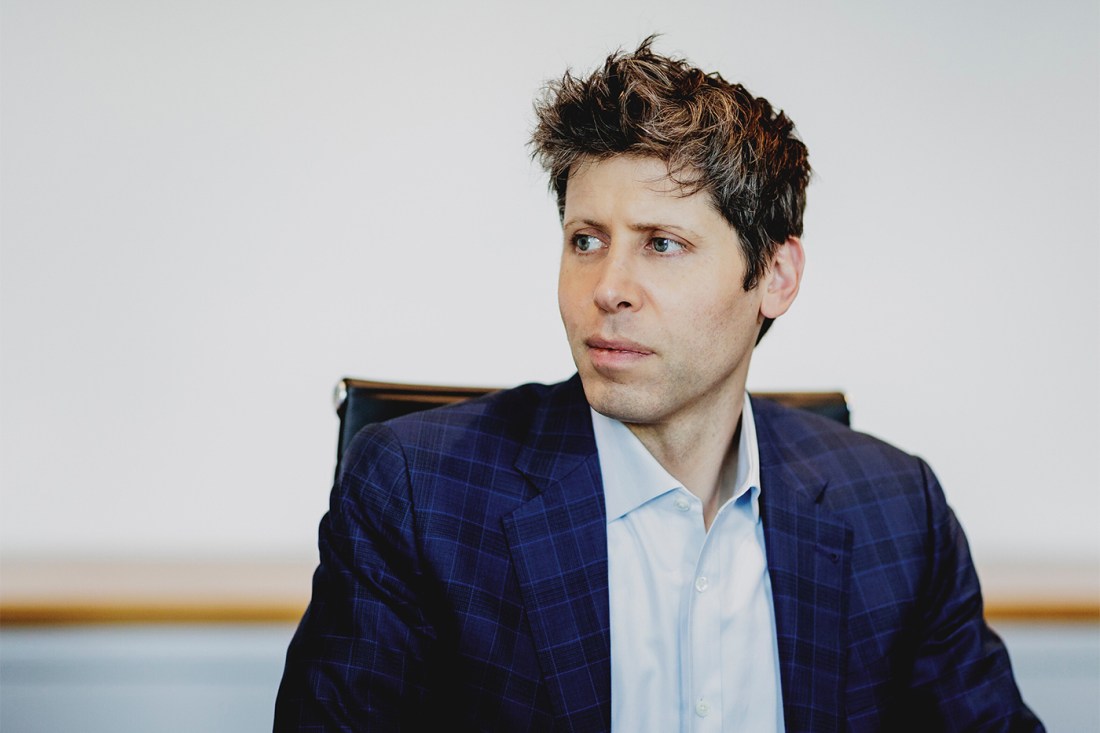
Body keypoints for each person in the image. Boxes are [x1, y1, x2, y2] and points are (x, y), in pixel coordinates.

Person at [275, 38, 1042, 732]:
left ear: (775, 275)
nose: (607, 287)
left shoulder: (897, 511)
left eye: (662, 244)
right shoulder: (417, 493)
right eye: (586, 240)